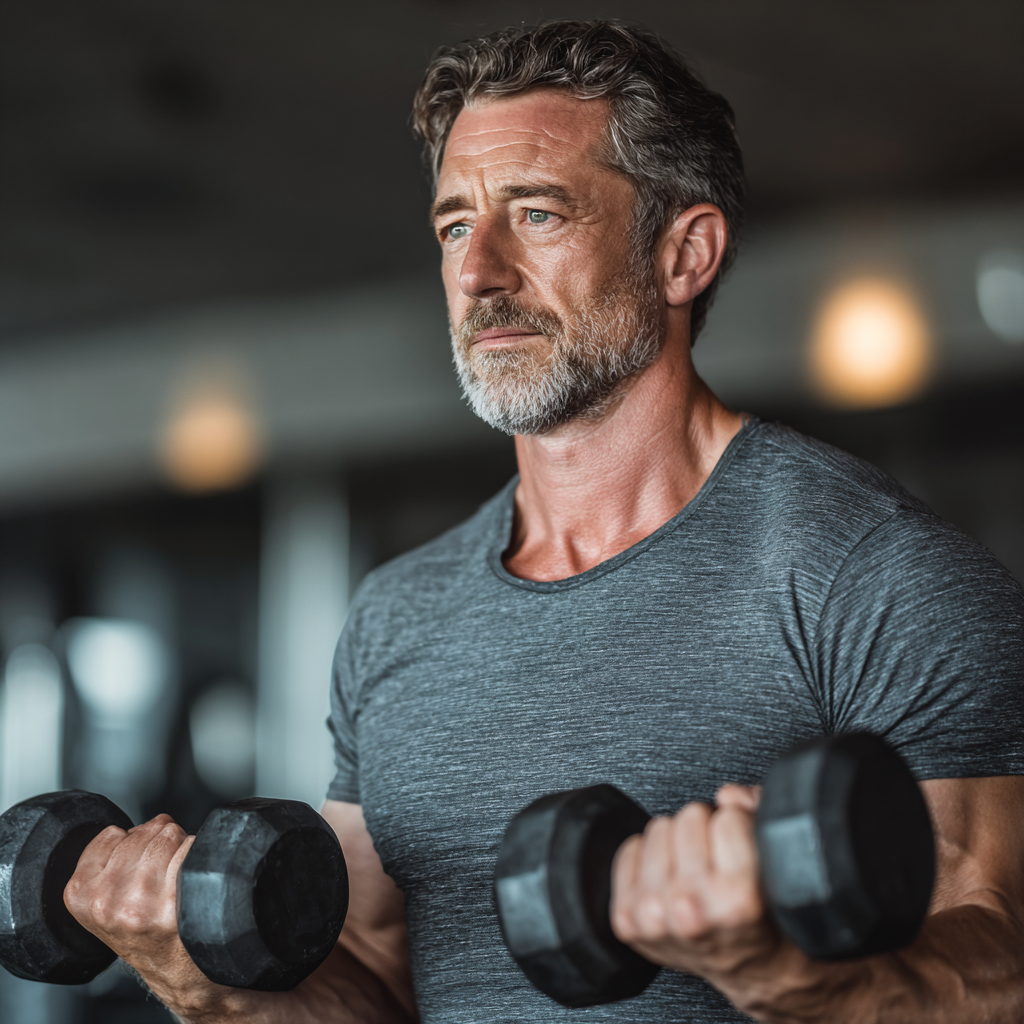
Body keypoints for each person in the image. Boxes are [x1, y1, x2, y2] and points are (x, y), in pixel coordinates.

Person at [64, 20, 1023, 1024]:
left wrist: (793, 977)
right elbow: (371, 986)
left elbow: (998, 957)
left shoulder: (876, 575)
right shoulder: (398, 615)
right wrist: (193, 974)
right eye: (453, 225)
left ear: (683, 253)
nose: (477, 272)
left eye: (536, 213)